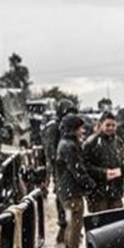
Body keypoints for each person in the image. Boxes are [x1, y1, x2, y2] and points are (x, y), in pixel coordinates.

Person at [53, 113, 95, 248]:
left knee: (72, 225)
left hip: (66, 190)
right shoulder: (70, 146)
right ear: (74, 128)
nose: (83, 131)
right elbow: (77, 170)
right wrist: (90, 185)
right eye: (81, 127)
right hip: (71, 192)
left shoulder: (65, 143)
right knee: (75, 226)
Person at [42, 100, 77, 238]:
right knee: (62, 195)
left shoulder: (66, 127)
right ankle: (64, 226)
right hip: (60, 167)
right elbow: (50, 151)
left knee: (69, 196)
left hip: (68, 166)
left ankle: (69, 227)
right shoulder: (54, 127)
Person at [83, 111, 124, 213]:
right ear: (100, 125)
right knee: (101, 225)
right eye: (107, 125)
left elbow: (123, 161)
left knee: (117, 224)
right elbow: (84, 167)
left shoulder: (118, 141)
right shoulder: (91, 143)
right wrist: (104, 173)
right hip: (98, 193)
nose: (111, 128)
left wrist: (123, 170)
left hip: (116, 191)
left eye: (113, 125)